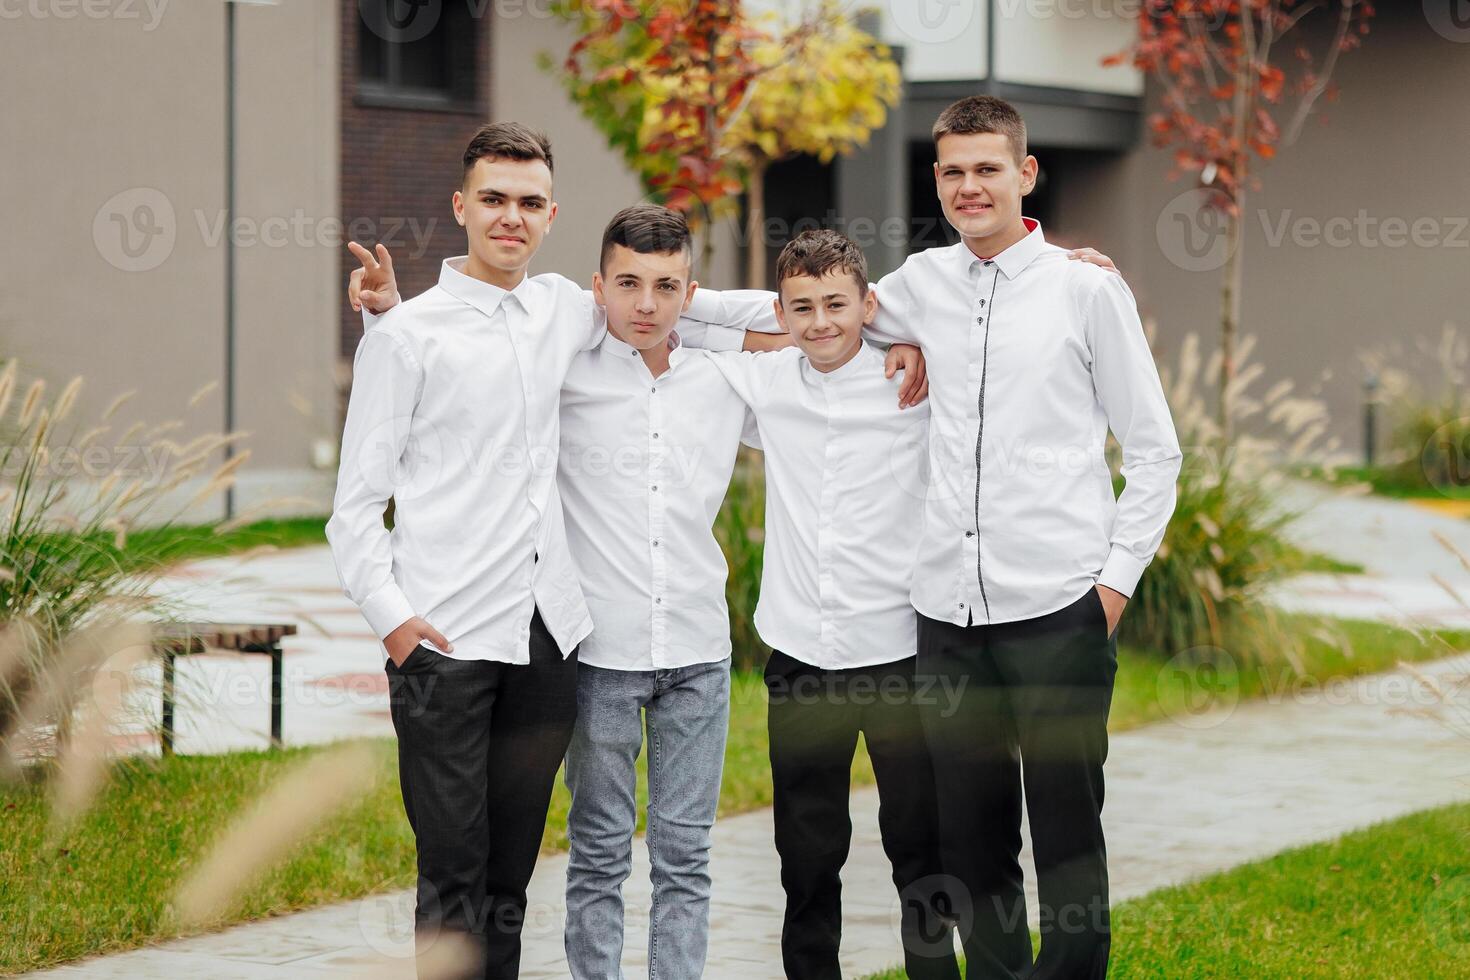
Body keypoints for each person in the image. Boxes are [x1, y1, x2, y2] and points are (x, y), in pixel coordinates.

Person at [328, 124, 813, 979]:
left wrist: (890, 318)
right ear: (461, 206)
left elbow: (683, 309)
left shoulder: (564, 308)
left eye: (527, 202)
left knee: (512, 877)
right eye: (493, 199)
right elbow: (355, 507)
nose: (509, 217)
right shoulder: (410, 336)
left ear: (550, 213)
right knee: (452, 873)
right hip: (444, 643)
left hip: (547, 644)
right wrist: (395, 623)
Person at [862, 95, 1184, 979]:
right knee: (971, 838)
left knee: (1067, 833)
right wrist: (667, 306)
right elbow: (808, 309)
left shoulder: (1086, 289)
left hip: (1059, 608)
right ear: (937, 180)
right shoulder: (919, 285)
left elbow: (1156, 452)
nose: (971, 187)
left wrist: (1110, 591)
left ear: (1026, 174)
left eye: (988, 169)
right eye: (955, 172)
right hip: (948, 615)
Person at [702, 229, 960, 980]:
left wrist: (1068, 260)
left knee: (920, 845)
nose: (820, 323)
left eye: (838, 305)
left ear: (868, 305)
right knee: (807, 855)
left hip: (901, 656)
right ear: (779, 312)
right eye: (802, 307)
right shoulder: (767, 379)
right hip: (801, 660)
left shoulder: (916, 378)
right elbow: (672, 319)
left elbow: (983, 315)